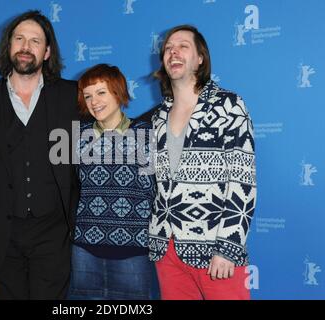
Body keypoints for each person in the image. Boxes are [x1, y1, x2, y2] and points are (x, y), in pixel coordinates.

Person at [0, 10, 79, 300]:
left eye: (35, 41)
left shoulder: (74, 98)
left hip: (56, 237)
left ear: (47, 52)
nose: (26, 47)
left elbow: (115, 126)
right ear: (8, 46)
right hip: (1, 239)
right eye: (19, 38)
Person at [148, 25, 256, 300]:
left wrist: (228, 247)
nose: (173, 51)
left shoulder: (229, 105)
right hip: (167, 250)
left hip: (215, 249)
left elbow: (243, 182)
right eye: (168, 48)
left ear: (200, 58)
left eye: (183, 46)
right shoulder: (158, 117)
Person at [68, 64, 156, 300]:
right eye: (87, 96)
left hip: (134, 252)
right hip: (84, 250)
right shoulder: (78, 138)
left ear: (118, 93)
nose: (94, 101)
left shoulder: (148, 134)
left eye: (101, 92)